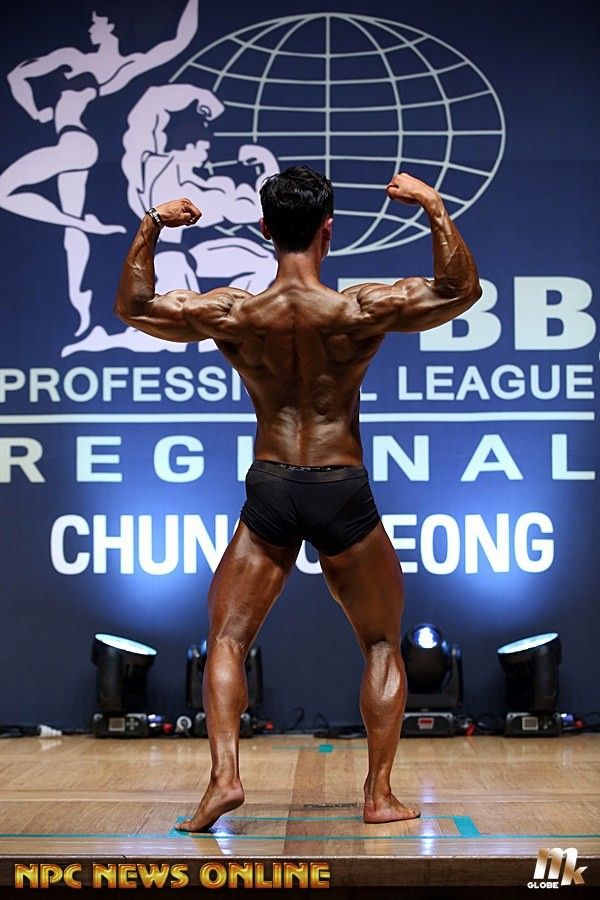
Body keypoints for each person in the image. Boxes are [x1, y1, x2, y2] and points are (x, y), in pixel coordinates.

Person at [114, 166, 482, 831]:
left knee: (227, 639)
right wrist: (432, 205)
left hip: (273, 486)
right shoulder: (358, 310)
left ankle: (224, 779)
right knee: (381, 643)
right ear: (328, 232)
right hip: (342, 488)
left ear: (264, 229)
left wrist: (151, 227)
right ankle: (378, 796)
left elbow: (136, 307)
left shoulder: (234, 313)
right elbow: (461, 290)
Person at [0, 0, 198, 339]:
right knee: (73, 236)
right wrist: (35, 111)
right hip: (74, 145)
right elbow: (18, 75)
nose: (91, 27)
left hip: (75, 144)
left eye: (96, 21)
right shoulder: (72, 58)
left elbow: (176, 43)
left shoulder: (113, 66)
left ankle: (82, 225)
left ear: (111, 25)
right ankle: (81, 311)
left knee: (5, 189)